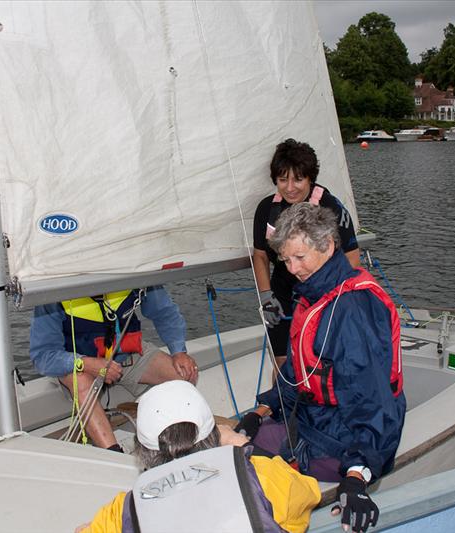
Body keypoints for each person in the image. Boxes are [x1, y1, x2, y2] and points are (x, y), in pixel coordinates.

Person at [238, 203, 406, 533]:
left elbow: (373, 403)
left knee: (238, 463)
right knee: (231, 437)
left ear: (328, 245)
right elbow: (298, 374)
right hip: (313, 420)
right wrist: (261, 410)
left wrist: (357, 475)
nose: (292, 268)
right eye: (286, 260)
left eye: (299, 258)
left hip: (344, 438)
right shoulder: (313, 294)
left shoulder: (352, 311)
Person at [75, 380, 321, 533]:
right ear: (214, 434)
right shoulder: (262, 476)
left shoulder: (126, 508)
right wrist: (243, 448)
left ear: (142, 450)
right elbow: (308, 493)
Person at [30, 286, 199, 451]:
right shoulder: (53, 292)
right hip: (81, 364)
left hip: (127, 356)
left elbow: (165, 313)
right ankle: (113, 452)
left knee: (185, 374)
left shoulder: (133, 275)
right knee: (80, 382)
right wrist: (85, 363)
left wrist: (178, 350)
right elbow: (43, 356)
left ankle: (182, 443)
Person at [253, 138, 360, 367]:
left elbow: (352, 259)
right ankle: (281, 401)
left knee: (315, 363)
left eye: (298, 179)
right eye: (283, 180)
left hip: (322, 296)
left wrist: (333, 302)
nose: (290, 188)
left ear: (310, 178)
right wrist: (266, 297)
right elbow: (260, 255)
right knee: (284, 365)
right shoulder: (266, 209)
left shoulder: (331, 208)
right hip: (280, 297)